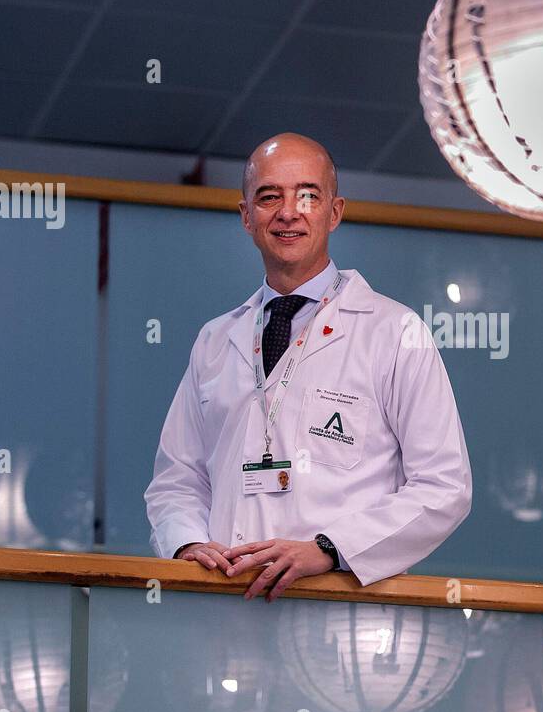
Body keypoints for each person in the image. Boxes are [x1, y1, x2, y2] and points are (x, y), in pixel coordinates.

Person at [144, 133, 472, 600]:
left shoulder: (395, 332)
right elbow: (178, 478)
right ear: (246, 217)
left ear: (334, 212)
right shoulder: (215, 340)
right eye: (268, 197)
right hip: (220, 609)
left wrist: (330, 548)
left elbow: (444, 487)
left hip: (337, 616)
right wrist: (188, 543)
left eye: (307, 196)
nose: (288, 212)